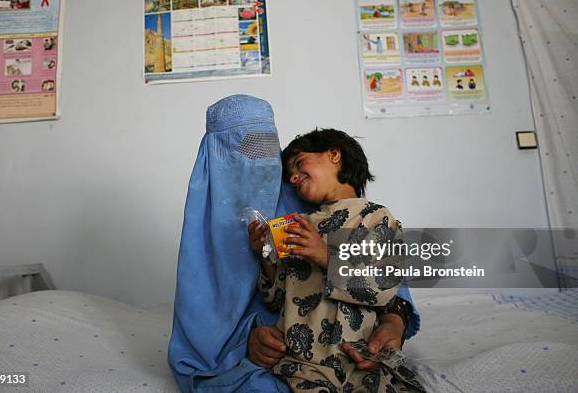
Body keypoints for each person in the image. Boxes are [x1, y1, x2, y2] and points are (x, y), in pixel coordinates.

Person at [168, 95, 420, 392]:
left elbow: (387, 281)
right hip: (297, 362)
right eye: (240, 150)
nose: (256, 162)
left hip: (350, 356)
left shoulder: (306, 208)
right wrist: (247, 335)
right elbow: (277, 292)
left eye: (265, 148)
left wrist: (393, 323)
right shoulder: (204, 225)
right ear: (210, 159)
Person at [248, 129, 424, 392]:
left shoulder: (376, 218)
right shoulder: (298, 227)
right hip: (301, 368)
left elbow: (384, 288)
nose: (294, 178)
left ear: (334, 155)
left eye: (299, 163)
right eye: (290, 177)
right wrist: (267, 258)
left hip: (360, 362)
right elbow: (276, 299)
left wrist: (325, 256)